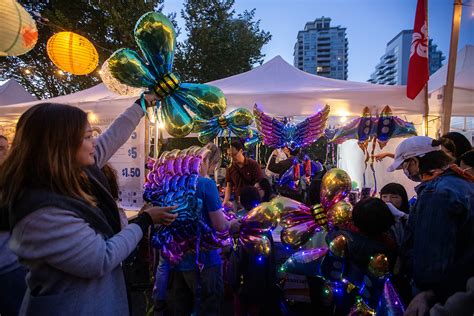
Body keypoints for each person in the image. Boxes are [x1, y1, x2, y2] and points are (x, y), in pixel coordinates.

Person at [0, 97, 179, 315]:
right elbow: (100, 258)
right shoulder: (41, 211)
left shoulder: (74, 171)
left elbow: (112, 138)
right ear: (61, 145)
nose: (95, 142)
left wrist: (141, 105)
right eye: (87, 137)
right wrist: (144, 221)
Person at [386, 136, 474, 314]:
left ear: (415, 162)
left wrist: (427, 293)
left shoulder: (436, 193)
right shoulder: (462, 183)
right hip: (460, 285)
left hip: (439, 298)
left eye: (405, 166)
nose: (406, 172)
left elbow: (431, 253)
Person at [170, 143, 240, 316]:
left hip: (180, 257)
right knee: (208, 305)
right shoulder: (206, 184)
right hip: (205, 259)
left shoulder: (178, 182)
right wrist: (232, 224)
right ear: (211, 163)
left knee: (184, 306)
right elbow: (219, 225)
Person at [230, 185, 279, 316]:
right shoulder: (264, 222)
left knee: (240, 307)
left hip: (243, 278)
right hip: (261, 278)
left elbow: (237, 257)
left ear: (241, 200)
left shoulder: (239, 223)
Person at [0, 134, 28, 316]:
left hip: (13, 266)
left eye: (5, 147)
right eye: (0, 148)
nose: (6, 152)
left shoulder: (13, 180)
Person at [223, 141, 263, 208]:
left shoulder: (253, 164)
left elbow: (259, 183)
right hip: (238, 202)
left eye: (234, 154)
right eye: (230, 155)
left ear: (241, 151)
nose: (232, 157)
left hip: (252, 201)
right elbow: (229, 185)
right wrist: (226, 200)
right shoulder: (230, 168)